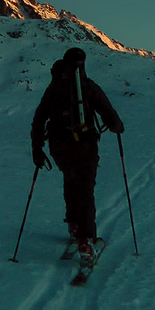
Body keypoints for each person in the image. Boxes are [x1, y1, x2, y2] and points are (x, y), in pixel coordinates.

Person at [30, 47, 124, 262]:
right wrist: (117, 127)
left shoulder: (54, 89)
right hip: (85, 146)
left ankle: (73, 225)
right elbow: (110, 116)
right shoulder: (88, 87)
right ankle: (86, 239)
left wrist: (37, 148)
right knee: (85, 188)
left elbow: (39, 119)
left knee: (71, 182)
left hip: (59, 148)